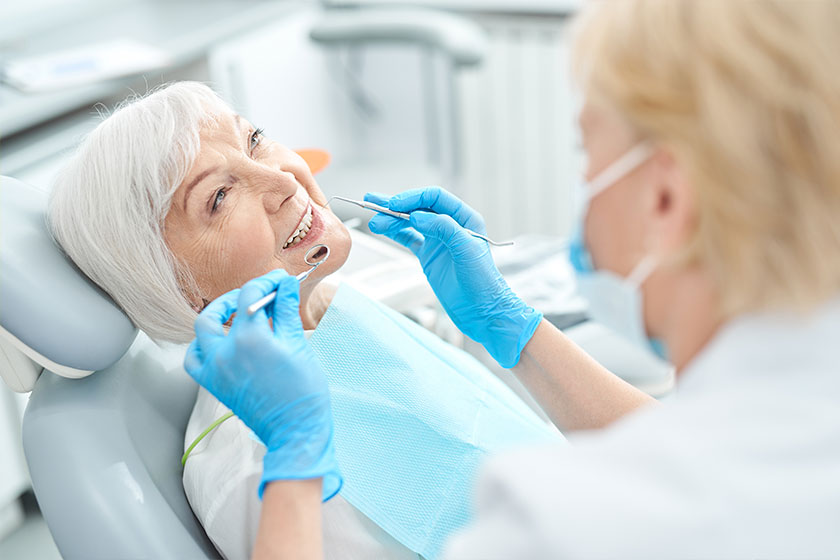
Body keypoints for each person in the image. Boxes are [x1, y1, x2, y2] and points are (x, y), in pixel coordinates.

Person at [184, 0, 840, 558]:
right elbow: (692, 447)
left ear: (666, 201)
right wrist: (516, 328)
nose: (282, 179)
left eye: (588, 152)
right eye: (215, 197)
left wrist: (296, 463)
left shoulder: (554, 528)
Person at [48, 82, 595, 560]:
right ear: (167, 284)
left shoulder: (335, 304)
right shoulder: (252, 463)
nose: (280, 179)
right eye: (218, 197)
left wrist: (507, 325)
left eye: (254, 140)